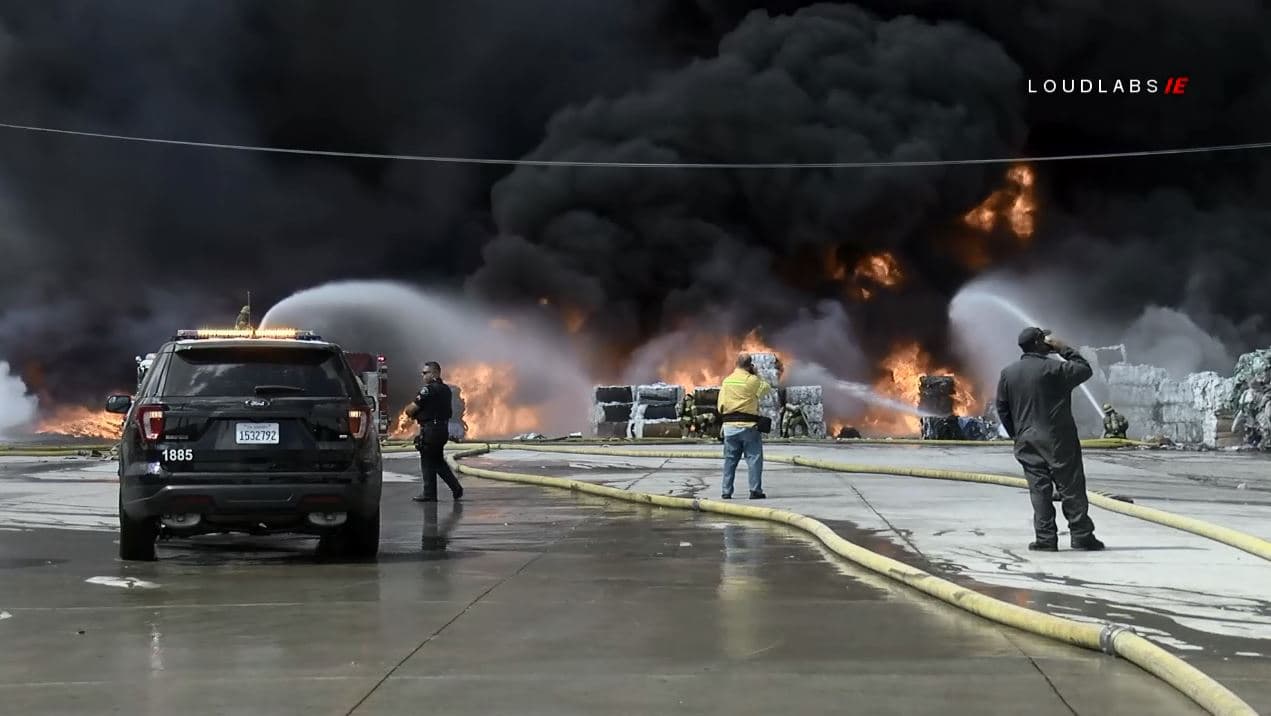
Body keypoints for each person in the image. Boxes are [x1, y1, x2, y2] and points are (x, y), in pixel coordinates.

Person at [995, 328, 1105, 551]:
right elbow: (1084, 370)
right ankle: (1081, 535)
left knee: (1039, 490)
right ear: (1038, 343)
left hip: (1026, 440)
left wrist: (1017, 434)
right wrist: (1062, 348)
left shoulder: (1008, 373)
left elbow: (1002, 407)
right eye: (1043, 339)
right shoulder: (1055, 368)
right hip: (1058, 439)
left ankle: (1045, 539)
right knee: (1071, 487)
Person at [716, 352, 772, 499]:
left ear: (736, 364)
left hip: (729, 428)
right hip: (749, 427)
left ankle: (726, 492)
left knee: (729, 461)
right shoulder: (752, 380)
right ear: (750, 365)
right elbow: (766, 389)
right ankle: (755, 491)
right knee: (754, 459)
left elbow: (720, 406)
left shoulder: (727, 381)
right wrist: (756, 374)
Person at [405, 361, 463, 502]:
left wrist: (410, 412)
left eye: (426, 373)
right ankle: (456, 488)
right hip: (442, 429)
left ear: (435, 373)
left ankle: (429, 493)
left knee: (427, 461)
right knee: (438, 461)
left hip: (431, 429)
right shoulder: (446, 389)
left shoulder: (428, 390)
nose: (423, 375)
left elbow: (411, 409)